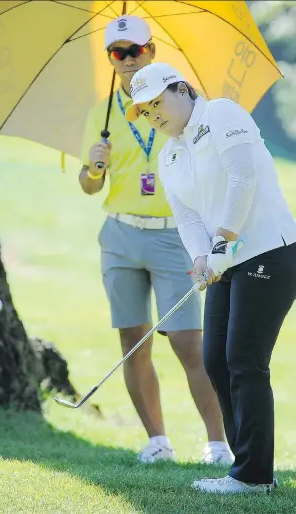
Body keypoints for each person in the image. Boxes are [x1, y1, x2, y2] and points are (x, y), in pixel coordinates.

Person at [126, 61, 296, 492]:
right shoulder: (169, 153)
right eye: (144, 111)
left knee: (243, 359)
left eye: (156, 102)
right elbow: (185, 216)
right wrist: (202, 257)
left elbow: (244, 178)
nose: (153, 114)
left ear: (181, 89)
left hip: (269, 251)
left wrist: (222, 241)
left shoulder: (221, 113)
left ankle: (253, 477)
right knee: (215, 359)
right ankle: (247, 468)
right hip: (224, 262)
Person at [79, 15, 231, 464]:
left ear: (152, 52)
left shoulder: (179, 106)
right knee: (133, 338)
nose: (127, 61)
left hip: (172, 238)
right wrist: (93, 166)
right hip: (121, 235)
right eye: (117, 54)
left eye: (135, 51)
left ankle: (219, 444)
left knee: (188, 343)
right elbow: (89, 188)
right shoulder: (100, 116)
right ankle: (157, 440)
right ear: (111, 60)